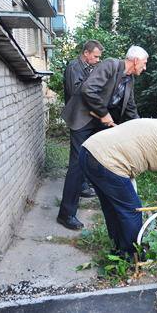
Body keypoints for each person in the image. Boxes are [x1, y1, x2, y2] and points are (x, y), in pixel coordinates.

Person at [80, 116, 157, 259]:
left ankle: (118, 248)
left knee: (112, 207)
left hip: (88, 152)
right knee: (133, 210)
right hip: (107, 161)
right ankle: (131, 256)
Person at [57, 45, 149, 230]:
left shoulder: (129, 80)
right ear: (136, 60)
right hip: (83, 118)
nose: (144, 68)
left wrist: (143, 130)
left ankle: (104, 200)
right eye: (144, 64)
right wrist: (104, 113)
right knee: (77, 165)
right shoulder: (110, 65)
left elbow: (130, 108)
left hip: (99, 124)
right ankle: (66, 214)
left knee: (99, 161)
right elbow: (88, 89)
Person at [63, 40, 104, 198]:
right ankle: (79, 188)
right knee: (77, 158)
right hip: (77, 118)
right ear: (86, 53)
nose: (97, 60)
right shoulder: (74, 67)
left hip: (86, 118)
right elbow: (76, 90)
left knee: (85, 154)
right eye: (95, 56)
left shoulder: (88, 67)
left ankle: (83, 185)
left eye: (99, 57)